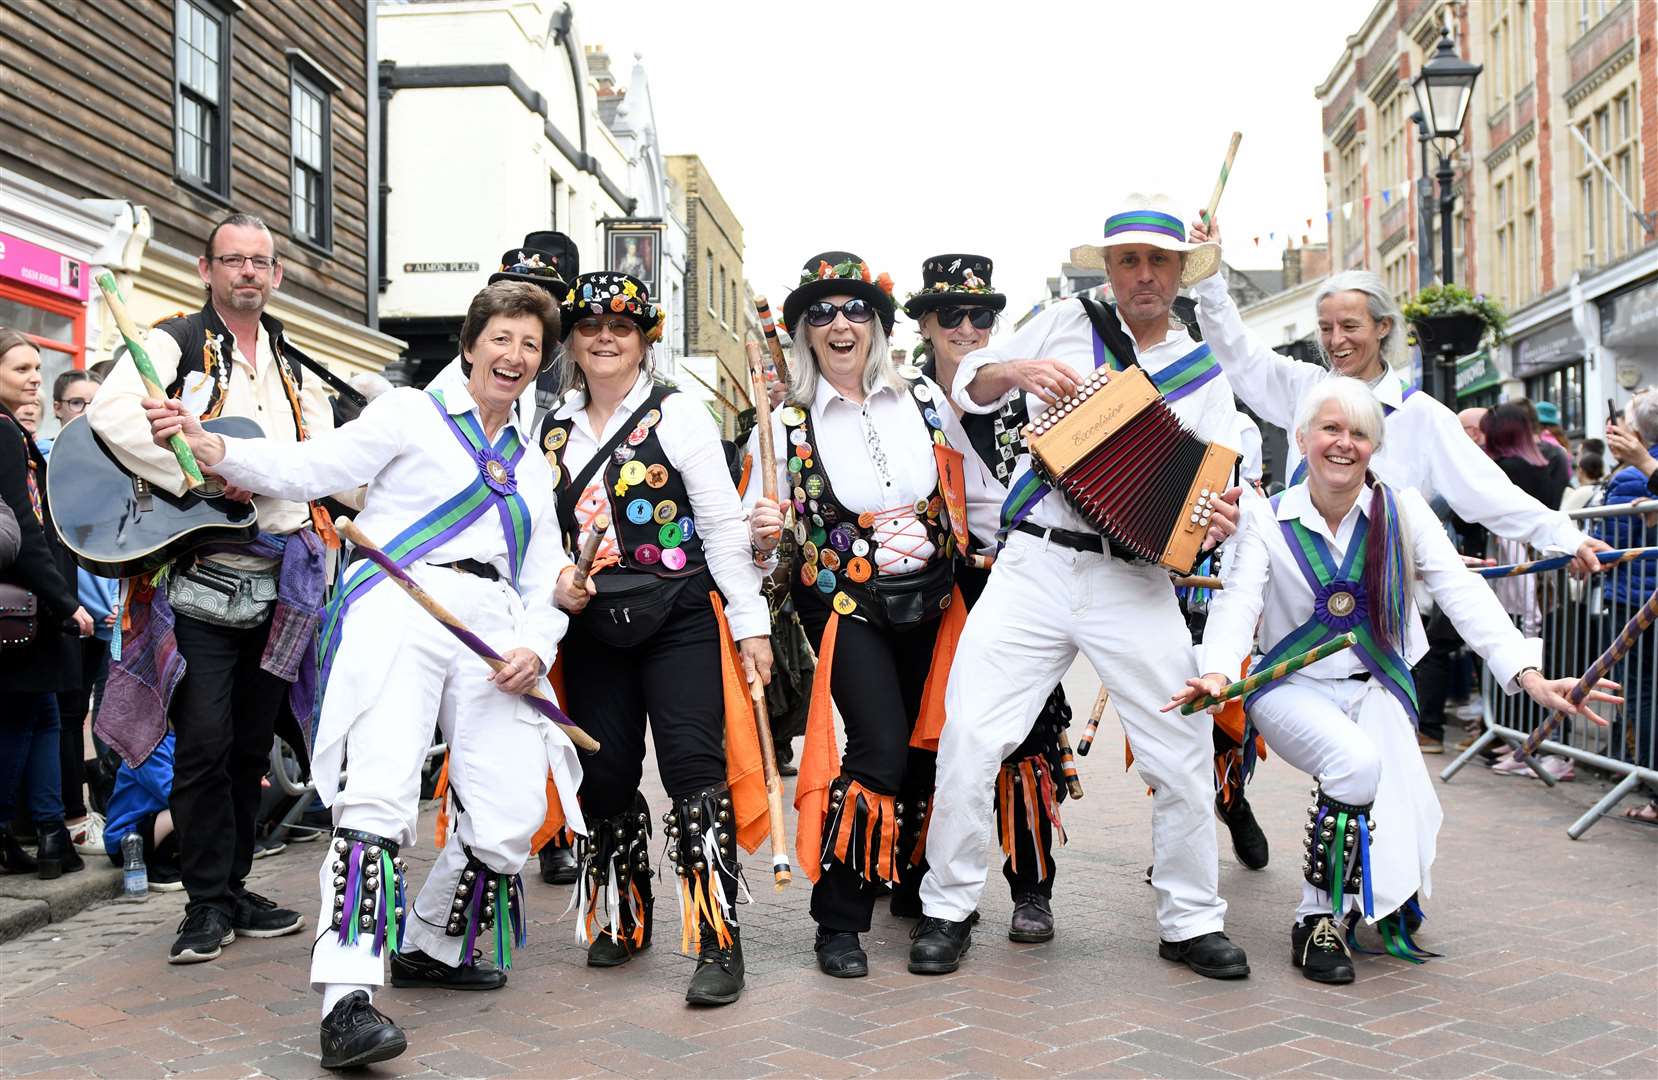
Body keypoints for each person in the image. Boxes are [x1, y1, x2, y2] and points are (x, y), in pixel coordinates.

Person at [146, 280, 584, 1070]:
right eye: (502, 339)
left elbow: (544, 568)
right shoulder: (410, 413)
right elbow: (313, 465)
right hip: (399, 604)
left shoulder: (529, 455)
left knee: (511, 815)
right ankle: (347, 998)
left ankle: (427, 942)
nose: (514, 357)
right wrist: (216, 447)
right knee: (379, 795)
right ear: (471, 342)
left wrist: (540, 646)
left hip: (493, 630)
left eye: (530, 345)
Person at [1165, 377, 1618, 984]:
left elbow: (1460, 590)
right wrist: (1217, 672)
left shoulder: (1402, 510)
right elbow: (1238, 603)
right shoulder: (1264, 518)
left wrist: (1528, 673)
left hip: (1377, 685)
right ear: (1301, 439)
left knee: (1388, 794)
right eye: (1330, 429)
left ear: (1375, 447)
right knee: (1355, 764)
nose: (1343, 444)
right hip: (1290, 691)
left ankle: (1361, 901)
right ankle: (1316, 919)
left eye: (1359, 433)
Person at [910, 198, 1250, 980]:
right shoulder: (1065, 319)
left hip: (1132, 578)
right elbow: (969, 385)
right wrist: (1015, 368)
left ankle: (1191, 919)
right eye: (1128, 260)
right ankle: (949, 908)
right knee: (971, 736)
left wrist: (1217, 517)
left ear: (1178, 274)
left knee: (1183, 746)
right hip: (1034, 564)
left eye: (1157, 262)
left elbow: (1220, 488)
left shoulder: (1204, 375)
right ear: (1109, 268)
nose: (1142, 275)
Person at [89, 213, 329, 963]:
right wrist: (198, 476)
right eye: (233, 260)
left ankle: (233, 886)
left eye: (260, 262)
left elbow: (322, 460)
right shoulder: (172, 343)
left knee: (249, 746)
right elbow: (108, 415)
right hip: (199, 574)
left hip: (279, 581)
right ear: (206, 269)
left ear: (277, 274)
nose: (247, 273)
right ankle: (202, 903)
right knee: (202, 743)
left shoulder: (292, 362)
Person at [542, 270, 771, 1006]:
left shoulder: (682, 415)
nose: (605, 337)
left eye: (622, 326)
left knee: (693, 773)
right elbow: (530, 533)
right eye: (589, 326)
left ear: (645, 339)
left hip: (677, 617)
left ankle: (716, 938)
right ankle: (626, 913)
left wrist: (751, 624)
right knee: (603, 776)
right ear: (572, 341)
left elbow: (723, 528)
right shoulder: (547, 428)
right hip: (592, 625)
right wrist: (554, 581)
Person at [747, 250, 976, 979]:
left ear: (877, 324)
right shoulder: (780, 425)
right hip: (847, 606)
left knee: (923, 749)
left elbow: (974, 492)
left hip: (935, 599)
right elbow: (755, 539)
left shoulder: (927, 401)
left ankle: (910, 882)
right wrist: (761, 538)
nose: (839, 323)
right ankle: (837, 921)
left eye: (854, 310)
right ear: (804, 333)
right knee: (877, 747)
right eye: (821, 312)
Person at [897, 252, 1074, 944]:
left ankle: (1032, 887)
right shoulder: (902, 402)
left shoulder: (1027, 396)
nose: (968, 327)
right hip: (933, 585)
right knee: (932, 730)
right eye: (952, 315)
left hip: (1020, 578)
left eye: (982, 315)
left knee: (1027, 736)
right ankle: (916, 869)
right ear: (926, 326)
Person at [433, 231, 583, 887]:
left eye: (546, 305)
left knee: (554, 712)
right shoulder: (448, 398)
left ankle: (555, 833)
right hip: (479, 585)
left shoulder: (583, 389)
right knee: (487, 725)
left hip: (565, 575)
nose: (522, 341)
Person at [0, 328, 95, 877]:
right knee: (19, 721)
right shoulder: (4, 434)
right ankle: (30, 833)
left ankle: (52, 833)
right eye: (21, 369)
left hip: (36, 603)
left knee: (42, 718)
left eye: (38, 367)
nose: (35, 378)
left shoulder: (14, 432)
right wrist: (66, 602)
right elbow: (25, 527)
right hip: (26, 604)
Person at [45, 368, 118, 855]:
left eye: (94, 403)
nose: (85, 413)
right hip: (77, 613)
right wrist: (95, 604)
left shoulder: (110, 461)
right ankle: (72, 817)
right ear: (58, 409)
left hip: (109, 616)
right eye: (76, 403)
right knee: (70, 717)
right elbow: (69, 549)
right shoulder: (51, 460)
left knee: (107, 717)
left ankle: (103, 810)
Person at [1599, 389, 1658, 824]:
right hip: (1639, 598)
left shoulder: (1632, 476)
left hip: (1637, 602)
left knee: (1642, 692)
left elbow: (1610, 546)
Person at [102, 730, 182, 890]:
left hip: (155, 821)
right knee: (194, 809)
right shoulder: (147, 746)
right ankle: (156, 868)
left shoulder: (181, 738)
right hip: (127, 841)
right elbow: (172, 793)